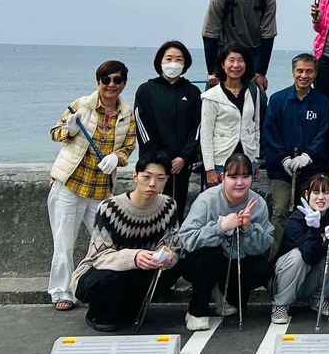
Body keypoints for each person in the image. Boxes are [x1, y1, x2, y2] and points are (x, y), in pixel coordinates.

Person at [47, 60, 137, 311]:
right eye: (105, 80)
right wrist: (70, 129)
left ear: (123, 83)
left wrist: (117, 158)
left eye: (117, 80)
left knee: (107, 243)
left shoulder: (127, 114)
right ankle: (62, 292)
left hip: (100, 189)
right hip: (71, 184)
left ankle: (105, 288)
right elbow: (54, 133)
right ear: (98, 82)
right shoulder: (81, 106)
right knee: (64, 242)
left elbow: (129, 146)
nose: (111, 85)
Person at [71, 152, 182, 331]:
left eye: (160, 178)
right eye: (146, 177)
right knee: (110, 283)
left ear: (166, 180)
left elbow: (173, 245)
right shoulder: (110, 208)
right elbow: (99, 256)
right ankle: (98, 314)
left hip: (142, 270)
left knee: (177, 266)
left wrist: (167, 257)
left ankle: (132, 305)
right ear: (135, 177)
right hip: (99, 272)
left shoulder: (169, 205)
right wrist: (134, 257)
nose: (152, 184)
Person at [179, 153, 274, 331]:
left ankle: (224, 293)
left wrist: (248, 229)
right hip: (202, 261)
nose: (239, 182)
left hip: (235, 260)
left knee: (261, 269)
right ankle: (196, 310)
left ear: (253, 177)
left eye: (245, 176)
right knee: (210, 254)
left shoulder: (257, 202)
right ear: (223, 177)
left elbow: (264, 245)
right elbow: (186, 238)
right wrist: (220, 228)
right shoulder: (207, 199)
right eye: (233, 176)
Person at [262, 53, 329, 258]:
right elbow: (269, 133)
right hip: (282, 170)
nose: (304, 75)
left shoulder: (322, 102)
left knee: (311, 212)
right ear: (293, 72)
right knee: (281, 210)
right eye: (300, 71)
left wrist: (309, 155)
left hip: (311, 170)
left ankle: (308, 255)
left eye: (309, 71)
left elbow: (324, 132)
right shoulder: (277, 100)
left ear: (315, 74)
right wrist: (283, 159)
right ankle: (273, 260)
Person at [134, 40, 202, 220]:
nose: (174, 63)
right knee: (149, 206)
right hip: (153, 162)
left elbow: (198, 127)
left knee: (176, 206)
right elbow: (142, 126)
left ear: (185, 63)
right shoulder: (146, 90)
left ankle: (173, 245)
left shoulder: (193, 92)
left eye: (179, 59)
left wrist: (184, 156)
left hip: (181, 164)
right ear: (160, 62)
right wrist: (160, 157)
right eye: (169, 58)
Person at [270, 173, 329, 324]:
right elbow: (308, 256)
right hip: (287, 278)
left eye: (325, 192)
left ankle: (319, 299)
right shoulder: (296, 220)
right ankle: (281, 304)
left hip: (310, 280)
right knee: (298, 256)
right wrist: (314, 230)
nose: (321, 197)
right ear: (307, 194)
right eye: (316, 192)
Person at [202, 0, 277, 91]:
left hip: (254, 51)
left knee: (257, 94)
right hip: (225, 50)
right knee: (212, 92)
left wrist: (261, 72)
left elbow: (268, 36)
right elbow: (210, 35)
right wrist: (212, 71)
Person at [201, 45, 261, 188]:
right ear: (223, 64)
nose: (236, 65)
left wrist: (256, 158)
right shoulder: (211, 96)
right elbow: (206, 134)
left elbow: (256, 125)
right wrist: (209, 169)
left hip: (247, 160)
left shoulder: (253, 91)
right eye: (231, 60)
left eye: (240, 60)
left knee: (243, 205)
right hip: (220, 161)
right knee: (218, 206)